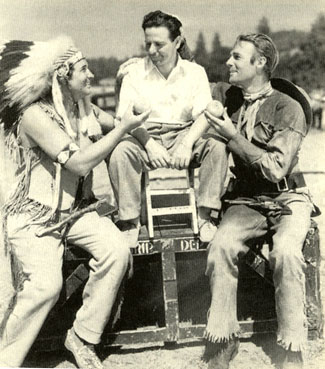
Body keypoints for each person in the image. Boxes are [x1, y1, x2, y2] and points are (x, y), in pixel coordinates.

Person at [0, 36, 149, 368]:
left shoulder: (82, 109)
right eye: (84, 69)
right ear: (62, 76)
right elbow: (80, 163)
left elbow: (121, 124)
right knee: (46, 286)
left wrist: (147, 141)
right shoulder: (34, 116)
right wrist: (124, 126)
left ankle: (83, 336)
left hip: (76, 213)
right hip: (34, 219)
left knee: (116, 250)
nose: (91, 75)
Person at [202, 33, 316, 369]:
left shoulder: (287, 108)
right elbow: (189, 84)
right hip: (246, 199)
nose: (229, 62)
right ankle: (223, 339)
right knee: (221, 246)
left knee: (286, 253)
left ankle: (292, 347)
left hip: (287, 196)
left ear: (260, 63)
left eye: (237, 57)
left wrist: (232, 136)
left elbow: (274, 167)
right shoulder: (230, 100)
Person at [109, 10, 228, 245]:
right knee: (120, 153)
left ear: (177, 42)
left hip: (185, 132)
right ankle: (131, 222)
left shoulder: (195, 72)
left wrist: (186, 143)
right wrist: (150, 145)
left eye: (159, 44)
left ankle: (205, 217)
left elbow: (206, 115)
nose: (152, 51)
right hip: (144, 133)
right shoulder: (134, 72)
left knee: (216, 146)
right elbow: (125, 117)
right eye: (148, 44)